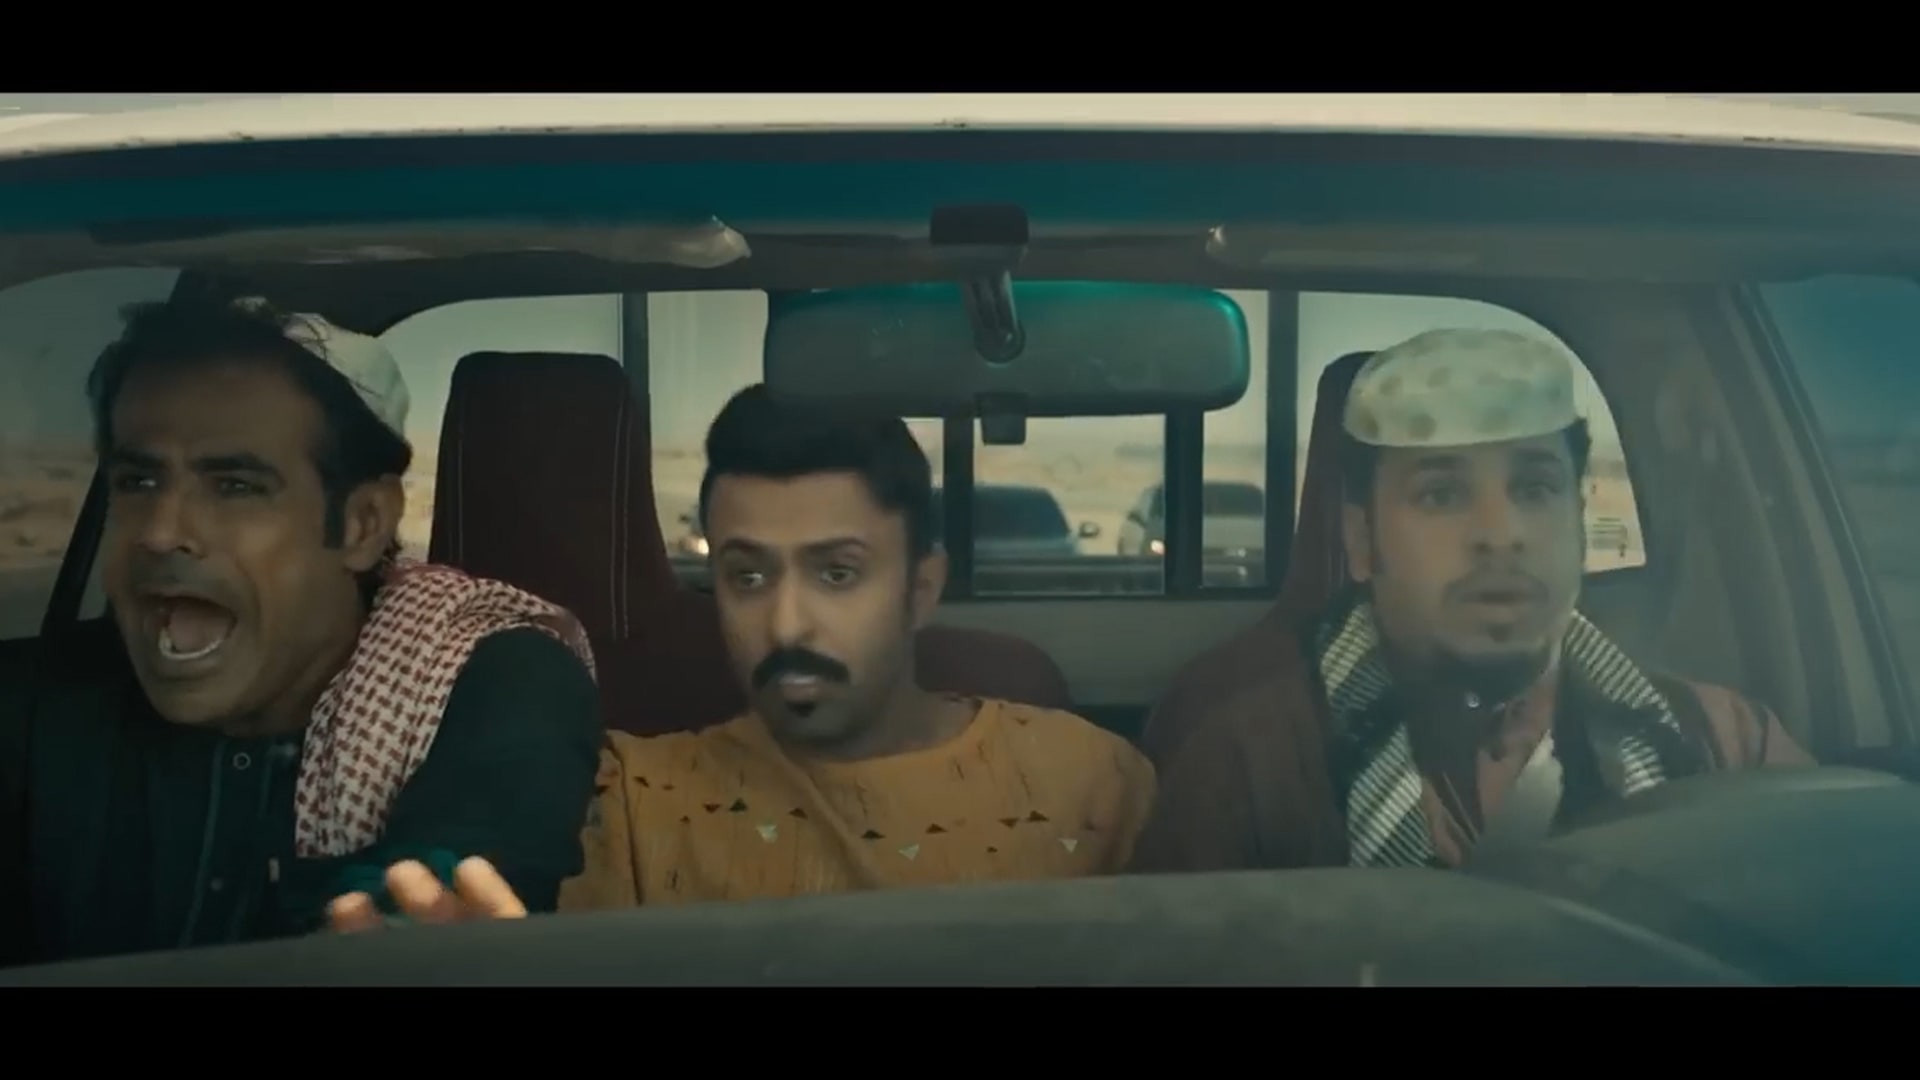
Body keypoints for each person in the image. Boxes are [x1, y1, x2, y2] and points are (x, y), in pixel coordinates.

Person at [0, 295, 602, 965]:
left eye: (235, 486)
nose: (161, 533)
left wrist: (401, 937)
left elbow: (444, 897)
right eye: (138, 481)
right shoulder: (37, 703)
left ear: (362, 525)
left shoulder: (491, 675)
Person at [1130, 328, 1813, 873]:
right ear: (1362, 540)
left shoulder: (1722, 743)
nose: (1500, 534)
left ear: (1578, 520)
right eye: (1442, 494)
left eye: (1535, 488)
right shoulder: (1252, 766)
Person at [556, 384, 1157, 909]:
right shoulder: (634, 802)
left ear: (920, 590)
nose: (786, 628)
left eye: (837, 574)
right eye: (749, 577)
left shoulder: (1092, 783)